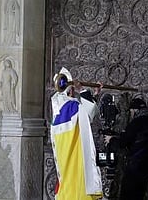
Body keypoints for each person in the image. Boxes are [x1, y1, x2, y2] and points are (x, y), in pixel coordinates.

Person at [50, 68, 103, 200]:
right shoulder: (70, 106)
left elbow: (85, 114)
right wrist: (82, 90)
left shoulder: (59, 107)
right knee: (77, 185)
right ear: (71, 90)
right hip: (75, 154)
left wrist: (95, 95)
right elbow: (88, 112)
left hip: (66, 154)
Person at [103, 98, 148, 200]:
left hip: (135, 168)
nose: (130, 114)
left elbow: (123, 143)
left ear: (135, 110)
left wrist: (111, 139)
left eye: (131, 111)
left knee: (128, 195)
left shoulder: (136, 123)